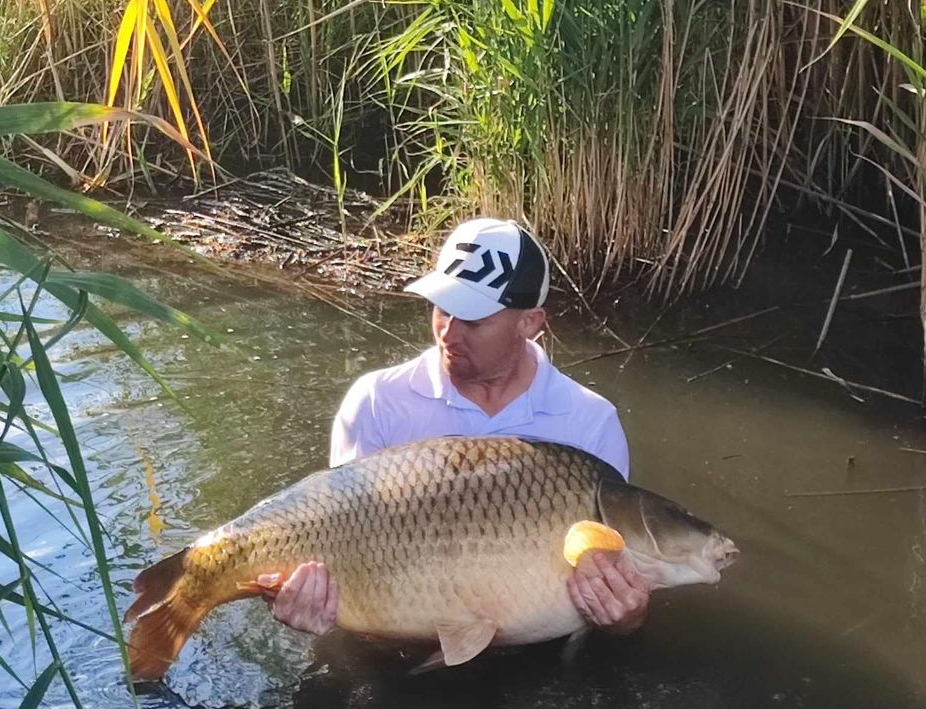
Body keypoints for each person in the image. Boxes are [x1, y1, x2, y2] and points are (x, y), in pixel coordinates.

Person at [259, 218, 650, 641]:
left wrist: (627, 616)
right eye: (443, 308)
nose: (448, 332)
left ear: (530, 322)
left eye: (473, 319)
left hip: (536, 658)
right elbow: (343, 542)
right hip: (391, 645)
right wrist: (305, 599)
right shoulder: (377, 401)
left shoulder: (590, 423)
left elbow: (614, 581)